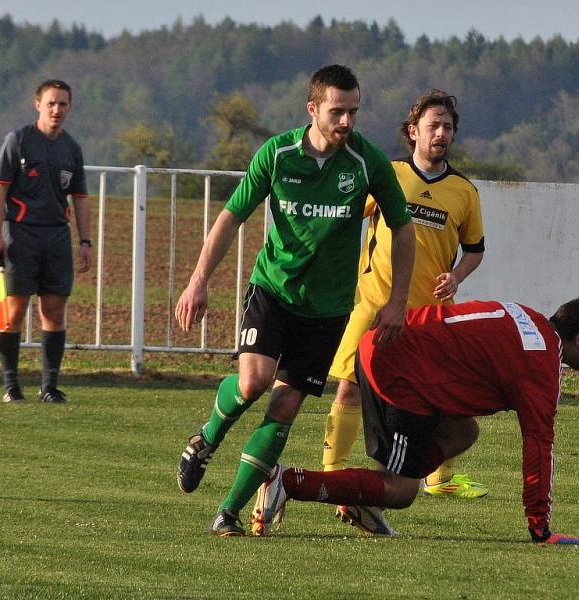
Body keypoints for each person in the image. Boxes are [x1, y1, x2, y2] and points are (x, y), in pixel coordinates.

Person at [174, 64, 416, 537]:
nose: (346, 122)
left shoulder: (367, 163)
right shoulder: (278, 154)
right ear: (313, 109)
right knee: (253, 383)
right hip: (273, 291)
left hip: (327, 310)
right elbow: (231, 216)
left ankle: (229, 511)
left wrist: (397, 301)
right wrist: (197, 280)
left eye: (353, 112)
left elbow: (403, 228)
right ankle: (206, 439)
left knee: (285, 407)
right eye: (337, 112)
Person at [253, 296, 579, 544]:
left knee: (463, 431)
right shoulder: (542, 361)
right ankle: (287, 481)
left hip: (390, 347)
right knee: (402, 489)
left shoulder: (529, 317)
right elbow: (539, 445)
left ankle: (364, 499)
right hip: (400, 368)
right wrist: (540, 527)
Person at [318, 89, 487, 532]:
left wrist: (458, 277)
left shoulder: (464, 191)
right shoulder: (387, 174)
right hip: (374, 306)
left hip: (430, 318)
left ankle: (439, 478)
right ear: (413, 131)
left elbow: (475, 250)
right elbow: (346, 217)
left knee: (436, 399)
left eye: (448, 126)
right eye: (434, 125)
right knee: (349, 388)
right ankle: (333, 474)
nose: (442, 133)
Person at [0, 79, 91, 404]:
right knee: (14, 310)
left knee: (54, 309)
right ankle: (10, 385)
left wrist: (85, 241)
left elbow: (80, 197)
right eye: (51, 103)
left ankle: (49, 387)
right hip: (21, 233)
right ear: (38, 105)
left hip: (57, 235)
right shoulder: (18, 141)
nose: (56, 109)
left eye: (62, 104)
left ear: (70, 107)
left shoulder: (71, 148)